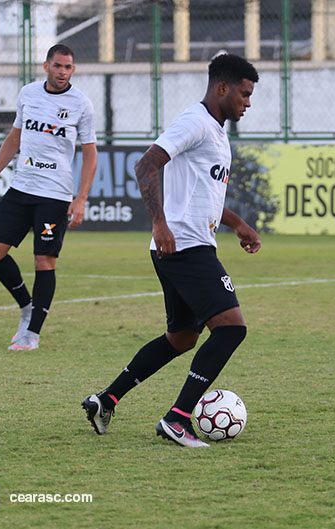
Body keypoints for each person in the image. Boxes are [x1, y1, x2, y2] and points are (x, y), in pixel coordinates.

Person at [82, 53, 261, 448]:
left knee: (181, 338)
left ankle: (106, 400)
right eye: (245, 95)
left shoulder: (216, 131)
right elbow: (146, 164)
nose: (248, 103)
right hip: (185, 247)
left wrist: (238, 224)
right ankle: (178, 418)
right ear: (222, 88)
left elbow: (206, 194)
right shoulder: (195, 122)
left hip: (183, 245)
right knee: (232, 328)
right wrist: (159, 223)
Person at [0, 44, 97, 350]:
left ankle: (32, 333)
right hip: (21, 188)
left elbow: (90, 153)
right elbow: (15, 138)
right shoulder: (28, 93)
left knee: (43, 260)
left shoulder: (81, 104)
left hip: (54, 195)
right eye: (57, 66)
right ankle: (27, 306)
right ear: (46, 66)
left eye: (68, 67)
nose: (62, 72)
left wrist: (81, 197)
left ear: (73, 70)